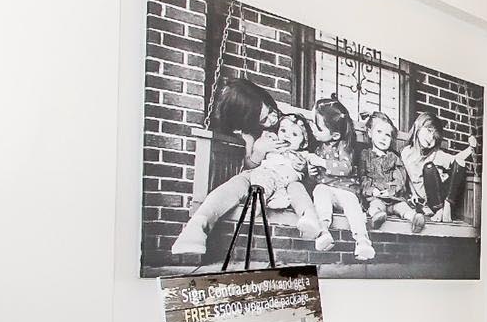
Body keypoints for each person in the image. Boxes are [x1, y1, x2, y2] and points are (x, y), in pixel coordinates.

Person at [170, 113, 323, 256]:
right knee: (237, 182)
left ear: (304, 142)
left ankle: (309, 218)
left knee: (297, 188)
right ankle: (197, 226)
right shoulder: (269, 142)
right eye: (283, 130)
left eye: (294, 134)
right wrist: (262, 148)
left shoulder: (304, 156)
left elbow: (312, 181)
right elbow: (250, 163)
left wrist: (307, 170)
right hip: (259, 176)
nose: (287, 135)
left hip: (285, 187)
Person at [308, 97, 375, 261]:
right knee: (319, 191)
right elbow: (317, 178)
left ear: (335, 135)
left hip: (346, 190)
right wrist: (312, 172)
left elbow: (346, 168)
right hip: (327, 190)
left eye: (318, 127)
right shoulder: (319, 149)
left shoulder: (343, 146)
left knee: (353, 207)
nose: (313, 129)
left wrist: (321, 163)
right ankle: (323, 231)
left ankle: (362, 241)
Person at [400, 111, 476, 234]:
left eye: (435, 137)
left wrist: (471, 148)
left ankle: (446, 206)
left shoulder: (436, 154)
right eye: (429, 131)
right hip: (426, 203)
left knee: (458, 163)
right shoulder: (406, 153)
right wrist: (412, 194)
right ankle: (438, 210)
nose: (431, 138)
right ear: (418, 126)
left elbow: (457, 159)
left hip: (441, 197)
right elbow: (406, 177)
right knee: (429, 167)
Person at [356, 112, 409, 228]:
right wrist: (372, 190)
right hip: (375, 197)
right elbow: (362, 177)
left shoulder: (394, 158)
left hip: (393, 198)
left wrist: (391, 190)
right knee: (375, 206)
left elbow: (400, 178)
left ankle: (414, 218)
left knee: (403, 206)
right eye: (379, 132)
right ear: (370, 133)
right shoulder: (365, 155)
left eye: (387, 135)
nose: (383, 137)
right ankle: (377, 216)